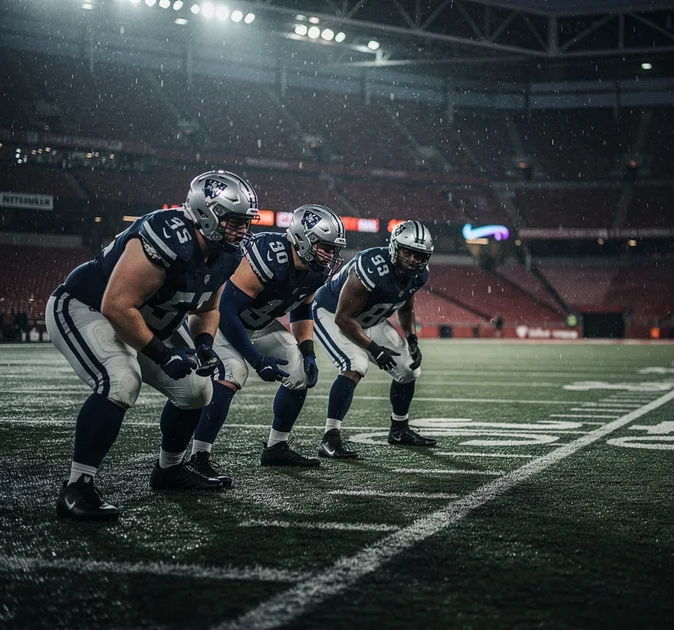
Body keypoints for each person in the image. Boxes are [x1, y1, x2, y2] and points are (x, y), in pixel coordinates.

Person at [45, 170, 259, 520]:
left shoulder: (225, 253)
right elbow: (116, 305)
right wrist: (162, 353)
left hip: (148, 318)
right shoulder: (166, 233)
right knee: (121, 379)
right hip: (88, 307)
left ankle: (169, 469)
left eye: (245, 222)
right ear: (205, 214)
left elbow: (209, 307)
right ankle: (76, 487)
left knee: (196, 390)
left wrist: (204, 344)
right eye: (233, 221)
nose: (242, 230)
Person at [188, 205, 346, 480]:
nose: (330, 255)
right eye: (325, 247)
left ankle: (276, 446)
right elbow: (226, 310)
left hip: (256, 323)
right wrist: (257, 361)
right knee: (234, 371)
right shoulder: (270, 255)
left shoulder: (316, 270)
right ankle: (198, 456)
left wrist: (308, 351)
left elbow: (301, 309)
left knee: (298, 371)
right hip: (218, 321)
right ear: (302, 238)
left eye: (333, 249)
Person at [312, 220, 436, 459]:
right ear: (394, 248)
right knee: (354, 364)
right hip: (332, 312)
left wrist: (412, 339)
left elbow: (407, 307)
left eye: (419, 255)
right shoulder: (371, 267)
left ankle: (399, 429)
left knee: (409, 369)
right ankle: (330, 438)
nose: (413, 260)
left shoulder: (419, 275)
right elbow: (344, 318)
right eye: (407, 252)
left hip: (370, 318)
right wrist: (374, 349)